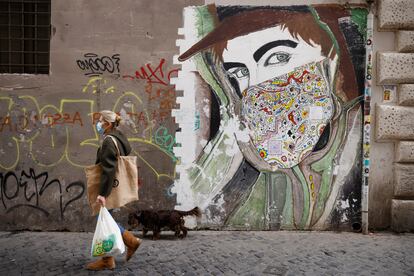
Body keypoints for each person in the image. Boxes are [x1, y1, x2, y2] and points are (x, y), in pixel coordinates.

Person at [176, 5, 365, 230]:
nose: (255, 85)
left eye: (277, 57)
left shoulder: (353, 147)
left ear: (329, 59)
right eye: (239, 73)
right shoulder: (245, 157)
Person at [86, 110, 141, 270]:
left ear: (108, 124)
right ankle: (129, 243)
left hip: (109, 186)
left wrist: (103, 194)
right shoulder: (119, 137)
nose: (98, 123)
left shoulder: (109, 141)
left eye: (101, 121)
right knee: (105, 219)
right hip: (114, 186)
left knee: (103, 219)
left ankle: (109, 258)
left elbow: (109, 170)